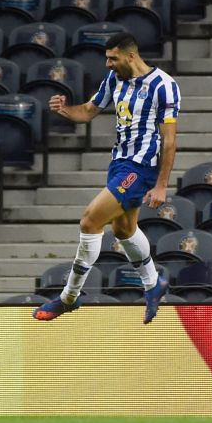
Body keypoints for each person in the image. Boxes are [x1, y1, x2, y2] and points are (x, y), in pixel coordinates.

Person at [32, 32, 180, 324]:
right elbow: (88, 111)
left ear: (131, 56)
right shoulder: (114, 80)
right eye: (107, 58)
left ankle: (68, 297)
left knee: (90, 220)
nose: (108, 64)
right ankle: (153, 285)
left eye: (113, 58)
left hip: (141, 166)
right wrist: (65, 110)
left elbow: (170, 140)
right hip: (119, 163)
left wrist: (161, 184)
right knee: (124, 230)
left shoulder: (163, 86)